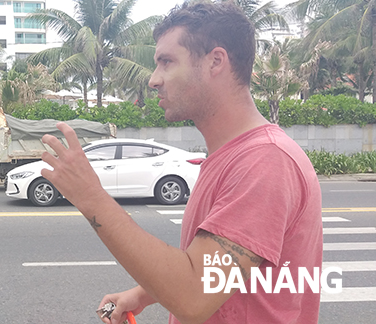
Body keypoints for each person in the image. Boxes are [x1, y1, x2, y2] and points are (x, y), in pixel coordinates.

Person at [39, 2, 322, 324]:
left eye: (166, 62)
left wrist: (90, 196)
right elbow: (220, 269)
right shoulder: (233, 155)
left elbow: (193, 294)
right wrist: (143, 293)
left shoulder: (265, 161)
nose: (153, 80)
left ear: (216, 61)